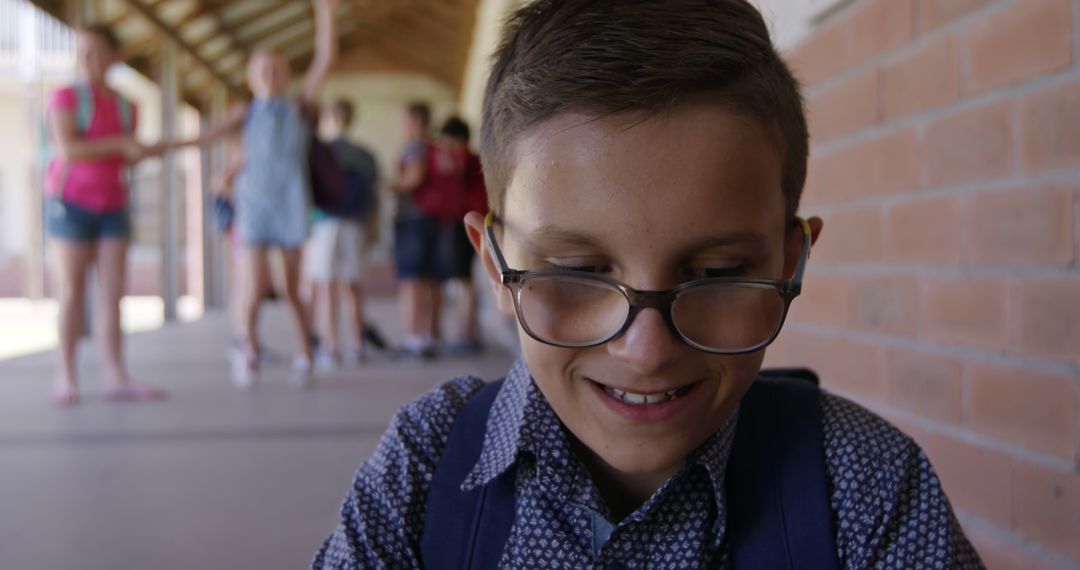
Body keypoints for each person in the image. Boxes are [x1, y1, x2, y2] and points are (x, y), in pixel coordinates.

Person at [313, 1, 984, 568]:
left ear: (790, 264)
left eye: (717, 274)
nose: (647, 350)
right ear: (494, 266)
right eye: (576, 272)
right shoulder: (427, 469)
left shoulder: (866, 489)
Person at [176, 0, 339, 388]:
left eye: (276, 68)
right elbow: (203, 138)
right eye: (261, 69)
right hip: (254, 208)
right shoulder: (244, 113)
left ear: (285, 76)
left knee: (292, 289)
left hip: (291, 206)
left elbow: (325, 58)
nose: (269, 74)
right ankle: (248, 349)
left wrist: (325, 12)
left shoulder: (298, 107)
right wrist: (157, 147)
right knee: (253, 285)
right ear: (250, 77)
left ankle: (306, 353)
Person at [45, 24, 168, 406]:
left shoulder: (128, 106)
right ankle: (66, 375)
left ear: (115, 57)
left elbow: (132, 152)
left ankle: (115, 373)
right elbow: (69, 148)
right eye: (81, 52)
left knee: (113, 294)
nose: (87, 60)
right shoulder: (65, 97)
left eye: (95, 51)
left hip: (114, 204)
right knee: (72, 291)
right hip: (71, 203)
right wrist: (121, 145)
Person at [305, 100, 379, 370]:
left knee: (326, 285)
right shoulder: (365, 154)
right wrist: (372, 228)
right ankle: (357, 345)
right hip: (355, 224)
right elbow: (373, 196)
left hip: (325, 223)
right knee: (353, 284)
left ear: (331, 118)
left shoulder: (322, 151)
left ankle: (330, 346)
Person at [388, 102, 443, 359]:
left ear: (416, 122)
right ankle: (430, 334)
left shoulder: (414, 148)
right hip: (432, 218)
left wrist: (390, 186)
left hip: (412, 219)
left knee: (412, 279)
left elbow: (414, 178)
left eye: (405, 121)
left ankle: (413, 338)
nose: (402, 126)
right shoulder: (435, 146)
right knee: (430, 279)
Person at [433, 116, 486, 354]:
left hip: (463, 221)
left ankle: (466, 333)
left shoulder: (462, 158)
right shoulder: (476, 158)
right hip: (470, 220)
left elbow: (453, 183)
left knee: (464, 280)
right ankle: (468, 331)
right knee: (466, 279)